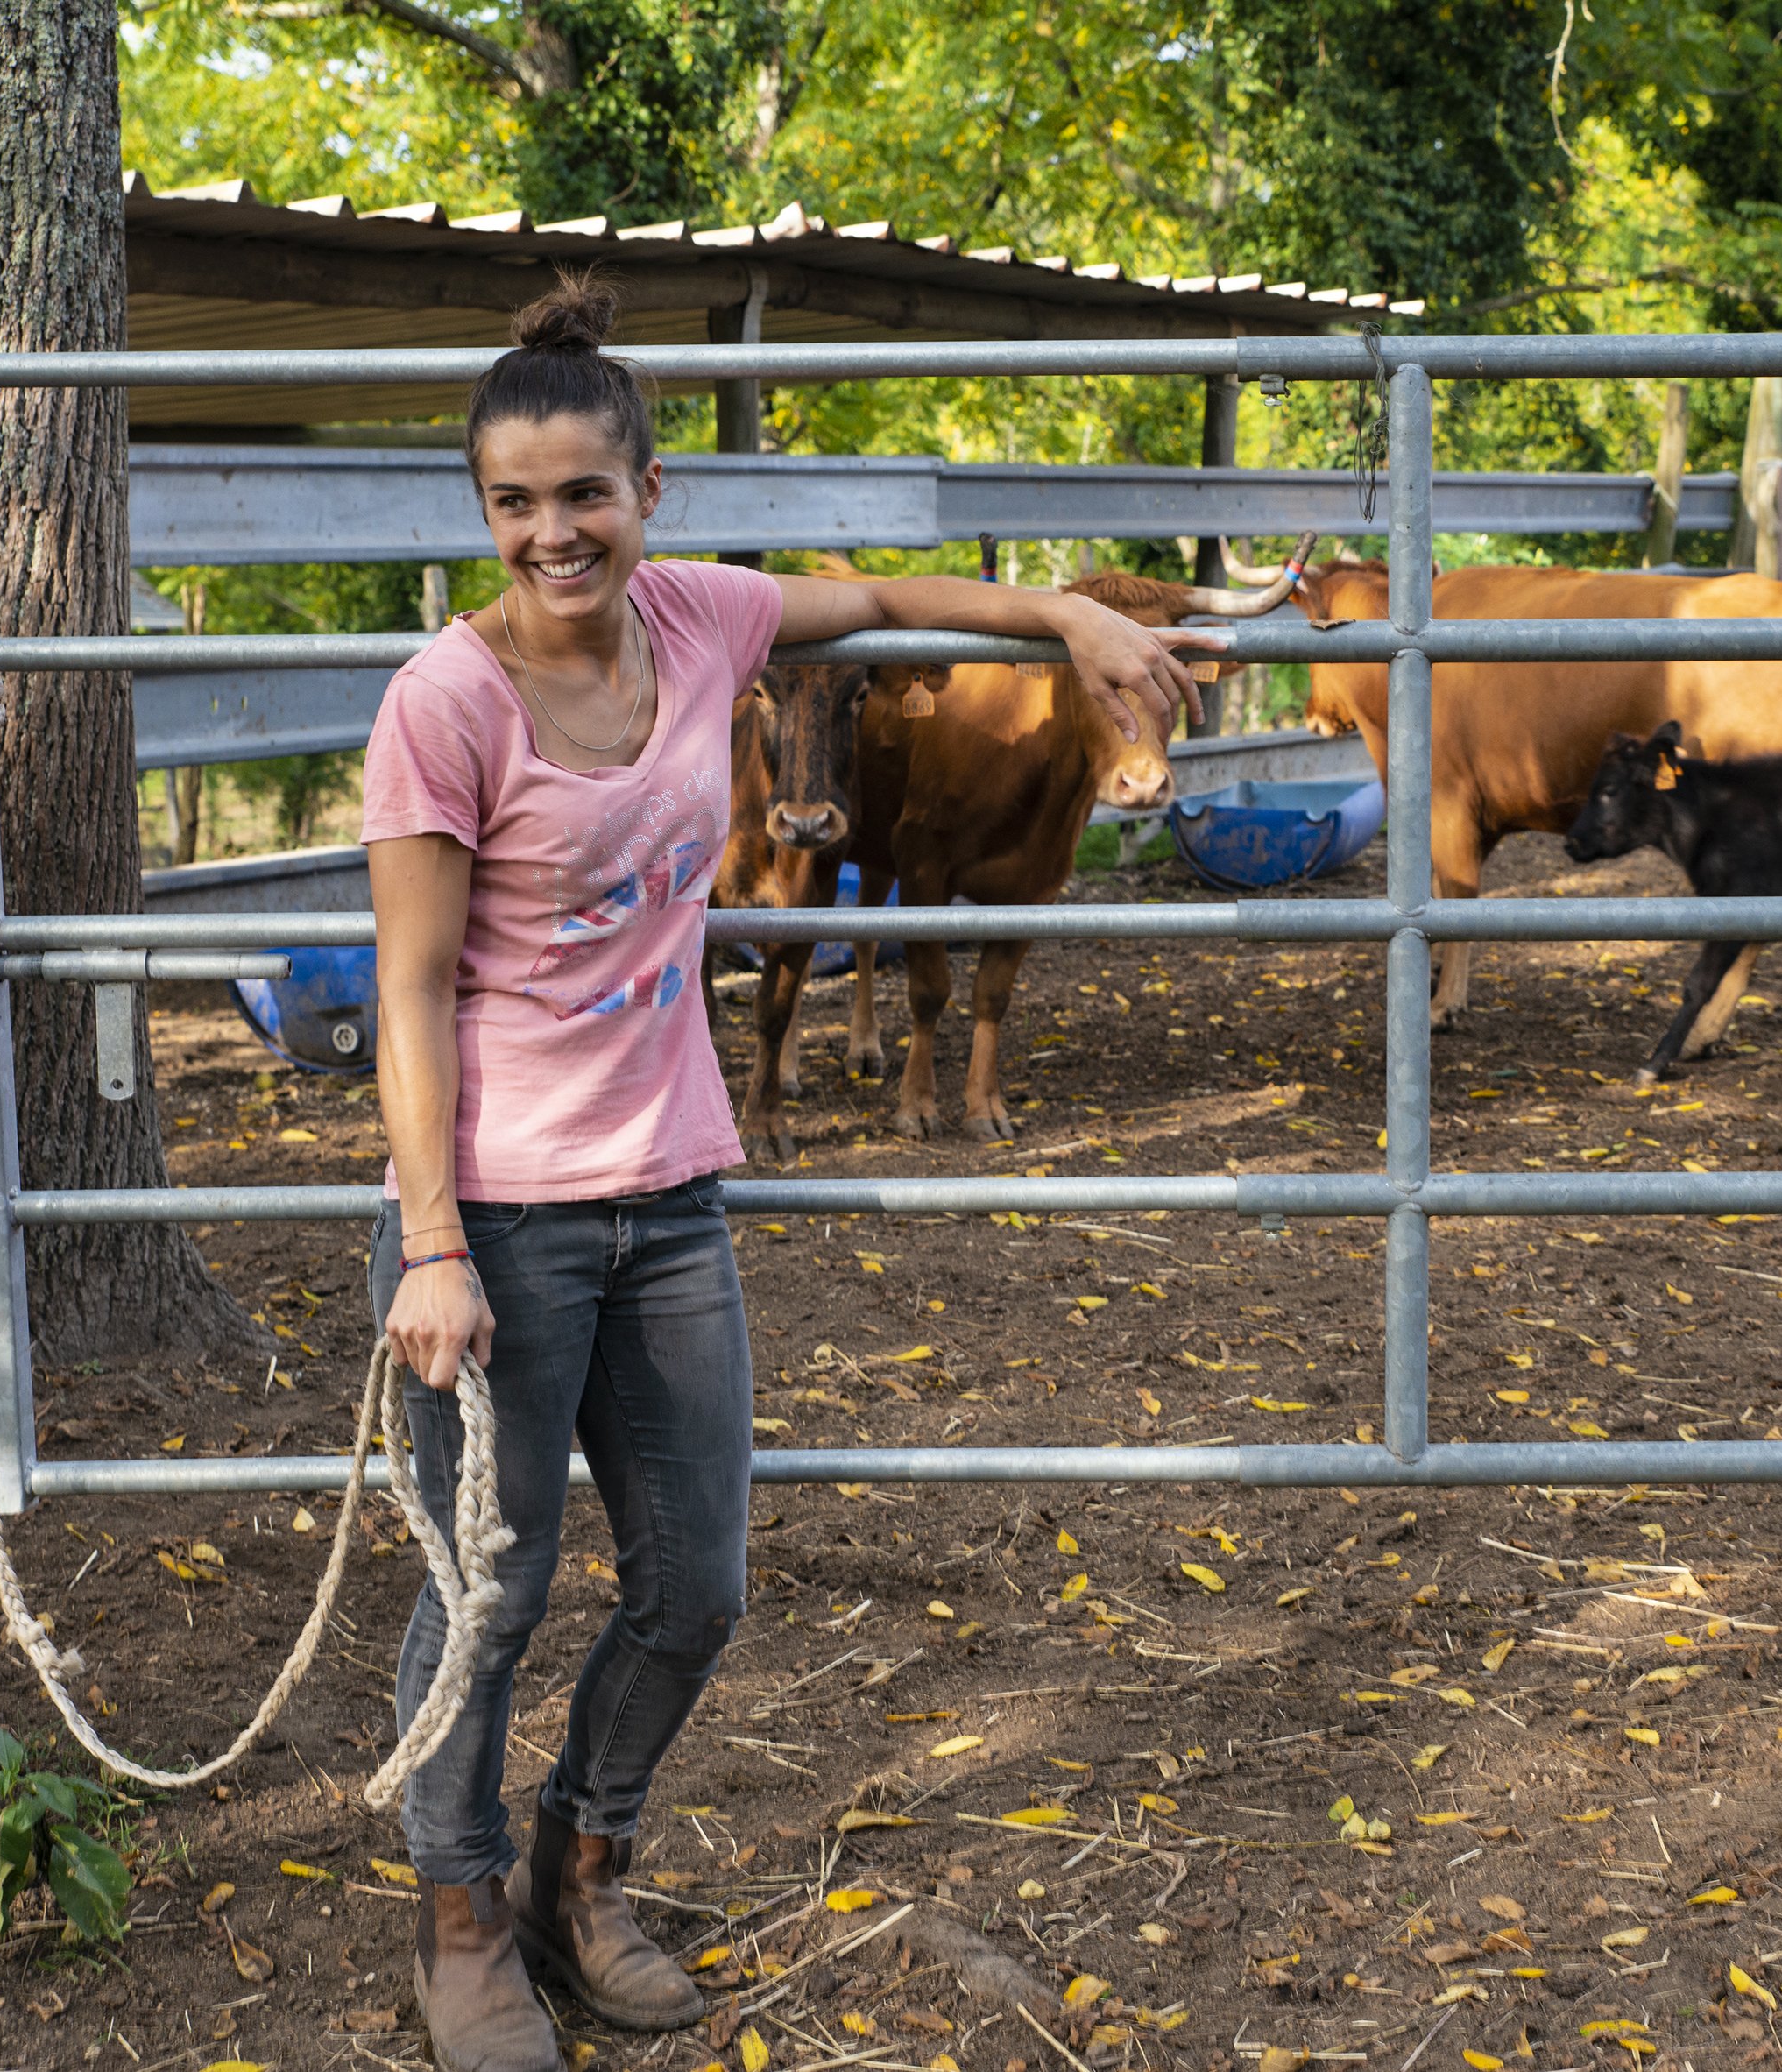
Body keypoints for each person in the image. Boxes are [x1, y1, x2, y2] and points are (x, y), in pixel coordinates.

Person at [364, 275, 1215, 2072]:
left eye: (582, 493)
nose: (550, 532)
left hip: (666, 1198)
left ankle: (576, 1876)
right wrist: (430, 1239)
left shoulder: (705, 614)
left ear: (647, 493)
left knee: (695, 1580)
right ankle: (457, 1924)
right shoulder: (446, 701)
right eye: (513, 504)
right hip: (496, 1220)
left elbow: (903, 594)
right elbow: (410, 989)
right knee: (488, 1591)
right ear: (485, 515)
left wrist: (1062, 609)